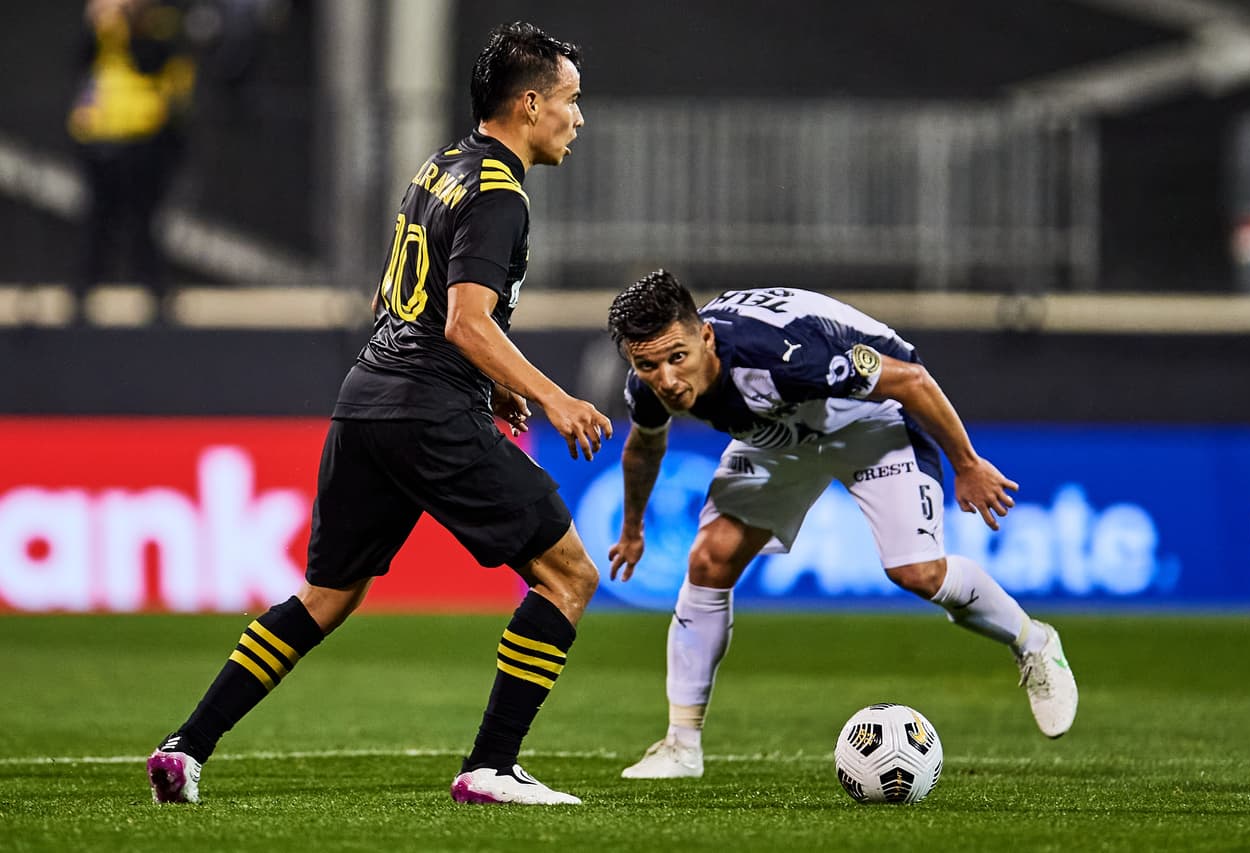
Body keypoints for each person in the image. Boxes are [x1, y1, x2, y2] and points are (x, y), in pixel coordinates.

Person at [147, 21, 612, 807]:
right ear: (529, 105)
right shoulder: (501, 193)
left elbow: (394, 294)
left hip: (366, 402)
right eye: (569, 101)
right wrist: (551, 395)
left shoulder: (443, 165)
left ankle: (184, 747)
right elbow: (466, 321)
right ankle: (492, 765)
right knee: (568, 573)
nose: (577, 118)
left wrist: (488, 379)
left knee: (327, 595)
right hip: (428, 411)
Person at [605, 271, 1078, 779]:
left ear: (706, 337)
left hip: (869, 420)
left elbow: (911, 380)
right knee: (708, 560)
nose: (668, 380)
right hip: (779, 436)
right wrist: (633, 529)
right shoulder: (650, 384)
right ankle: (681, 745)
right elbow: (644, 446)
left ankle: (1034, 642)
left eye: (678, 358)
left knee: (918, 573)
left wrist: (966, 464)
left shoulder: (786, 354)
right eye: (648, 364)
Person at [68, 0, 194, 303]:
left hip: (147, 138)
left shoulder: (163, 25)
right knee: (99, 218)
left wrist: (136, 23)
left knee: (143, 220)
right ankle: (86, 290)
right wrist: (97, 22)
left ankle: (153, 289)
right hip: (101, 137)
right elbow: (79, 61)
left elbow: (153, 62)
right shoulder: (104, 28)